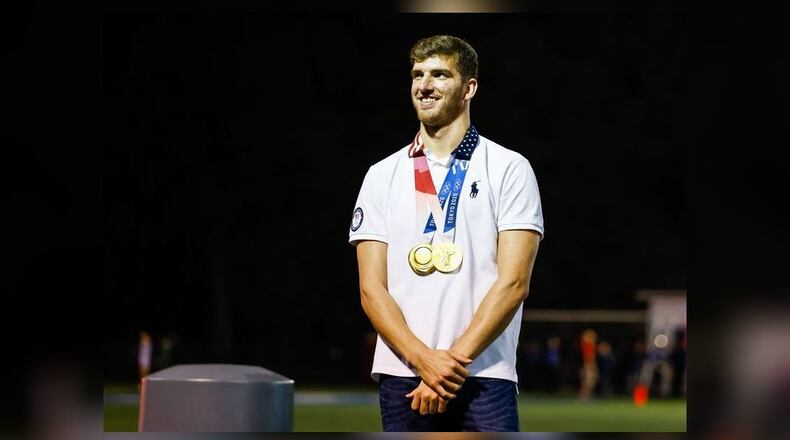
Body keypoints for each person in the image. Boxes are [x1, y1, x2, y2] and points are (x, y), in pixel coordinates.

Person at [349, 35, 544, 432]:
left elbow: (514, 283)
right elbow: (371, 289)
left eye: (440, 74)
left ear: (469, 87)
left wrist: (448, 364)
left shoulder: (509, 168)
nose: (425, 85)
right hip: (404, 373)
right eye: (418, 74)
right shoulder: (381, 175)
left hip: (484, 372)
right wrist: (423, 360)